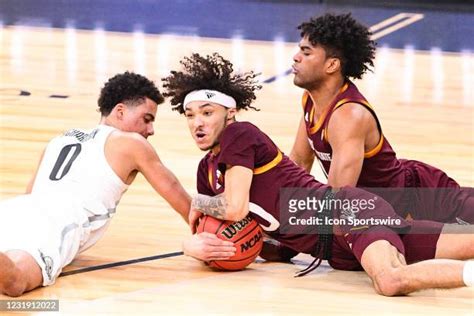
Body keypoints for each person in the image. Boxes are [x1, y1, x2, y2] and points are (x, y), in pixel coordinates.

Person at [162, 52, 474, 296]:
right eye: (190, 115)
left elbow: (234, 208)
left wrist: (198, 202)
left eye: (207, 113)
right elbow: (219, 233)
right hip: (336, 249)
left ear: (230, 114)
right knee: (468, 243)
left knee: (391, 280)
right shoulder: (207, 171)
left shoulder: (239, 135)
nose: (197, 124)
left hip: (346, 211)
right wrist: (194, 248)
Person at [0, 72, 232, 297]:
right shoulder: (131, 143)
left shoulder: (60, 139)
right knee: (16, 283)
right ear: (120, 111)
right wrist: (219, 243)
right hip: (60, 222)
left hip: (14, 211)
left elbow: (30, 194)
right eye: (147, 119)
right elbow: (185, 204)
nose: (151, 130)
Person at [290, 13, 473, 224]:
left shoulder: (349, 115)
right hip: (391, 209)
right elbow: (299, 163)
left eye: (306, 52)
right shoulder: (310, 101)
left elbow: (337, 201)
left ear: (332, 65)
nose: (296, 57)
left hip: (426, 200)